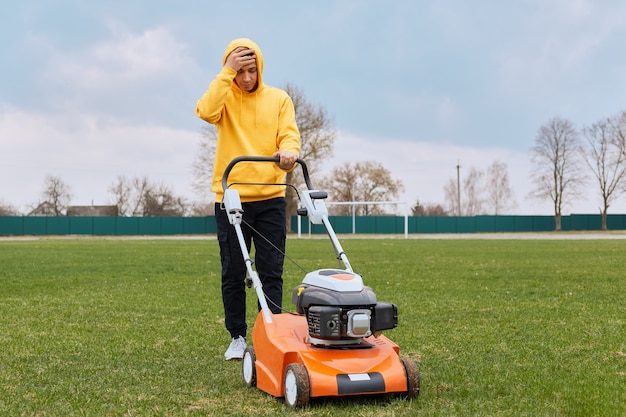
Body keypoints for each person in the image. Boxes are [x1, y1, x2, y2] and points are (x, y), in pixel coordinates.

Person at [195, 38, 300, 360]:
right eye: (240, 71)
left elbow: (289, 134)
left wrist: (289, 152)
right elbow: (204, 111)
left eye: (252, 71)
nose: (247, 78)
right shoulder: (223, 99)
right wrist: (226, 73)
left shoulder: (279, 98)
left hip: (270, 198)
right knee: (234, 272)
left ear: (260, 69)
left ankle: (269, 333)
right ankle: (237, 337)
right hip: (232, 198)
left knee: (271, 270)